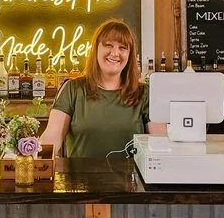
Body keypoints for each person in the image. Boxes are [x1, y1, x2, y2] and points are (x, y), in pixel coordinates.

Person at [40, 19, 165, 159]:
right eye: (108, 45)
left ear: (130, 55)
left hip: (131, 181)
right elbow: (51, 138)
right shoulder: (72, 89)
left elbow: (160, 145)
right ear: (96, 49)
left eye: (123, 47)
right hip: (80, 180)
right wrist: (30, 157)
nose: (115, 53)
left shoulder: (145, 93)